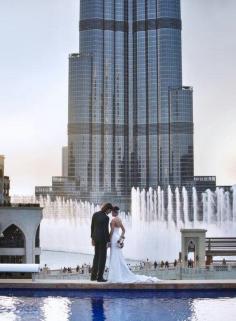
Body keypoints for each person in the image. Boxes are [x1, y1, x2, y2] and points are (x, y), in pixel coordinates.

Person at [107, 206, 161, 283]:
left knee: (114, 256)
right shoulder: (119, 219)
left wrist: (108, 240)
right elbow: (123, 230)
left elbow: (112, 232)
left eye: (112, 212)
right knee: (118, 256)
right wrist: (121, 238)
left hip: (114, 238)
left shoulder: (113, 221)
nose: (111, 213)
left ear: (114, 212)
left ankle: (115, 275)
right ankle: (118, 274)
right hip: (118, 237)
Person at [90, 202, 114, 282]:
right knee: (102, 258)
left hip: (95, 238)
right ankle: (100, 277)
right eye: (110, 211)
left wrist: (92, 238)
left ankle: (93, 277)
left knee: (96, 257)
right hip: (103, 239)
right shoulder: (106, 218)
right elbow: (106, 231)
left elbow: (92, 227)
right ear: (107, 209)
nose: (110, 213)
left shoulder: (95, 214)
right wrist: (108, 241)